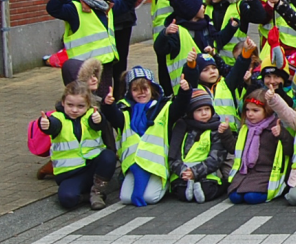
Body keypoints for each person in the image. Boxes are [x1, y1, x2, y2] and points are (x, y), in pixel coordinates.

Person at [104, 66, 174, 207]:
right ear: (129, 92)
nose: (141, 93)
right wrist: (108, 105)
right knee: (125, 198)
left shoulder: (164, 107)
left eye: (145, 89)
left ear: (152, 89)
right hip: (134, 164)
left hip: (155, 166)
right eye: (135, 90)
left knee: (150, 197)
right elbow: (114, 118)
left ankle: (165, 183)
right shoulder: (124, 109)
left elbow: (181, 106)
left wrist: (185, 89)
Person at [38, 81, 115, 210]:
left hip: (92, 167)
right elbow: (53, 126)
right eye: (70, 105)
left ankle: (97, 192)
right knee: (67, 200)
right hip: (70, 174)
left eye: (80, 106)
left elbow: (97, 123)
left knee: (109, 156)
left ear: (88, 105)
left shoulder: (91, 115)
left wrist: (99, 119)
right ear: (63, 103)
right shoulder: (58, 117)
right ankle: (86, 196)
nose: (74, 110)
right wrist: (46, 125)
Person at [226, 88, 296, 203]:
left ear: (267, 110)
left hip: (266, 172)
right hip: (246, 171)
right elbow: (234, 149)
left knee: (251, 197)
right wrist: (225, 134)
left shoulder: (275, 126)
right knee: (235, 197)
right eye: (247, 110)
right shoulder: (246, 128)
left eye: (255, 110)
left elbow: (289, 151)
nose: (250, 114)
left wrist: (282, 135)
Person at [168, 86, 231, 203]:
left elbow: (216, 158)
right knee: (181, 191)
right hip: (184, 172)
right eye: (199, 110)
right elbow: (173, 155)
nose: (204, 113)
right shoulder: (182, 128)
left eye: (207, 109)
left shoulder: (216, 129)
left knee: (207, 190)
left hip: (207, 172)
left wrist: (195, 172)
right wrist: (183, 171)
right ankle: (190, 187)